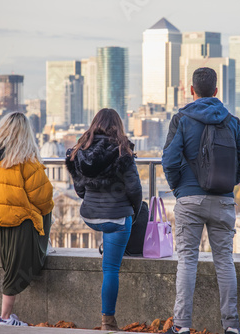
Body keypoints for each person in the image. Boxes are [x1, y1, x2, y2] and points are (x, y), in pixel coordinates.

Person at [162, 67, 240, 334]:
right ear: (216, 91)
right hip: (223, 201)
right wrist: (226, 183)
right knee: (224, 260)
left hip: (189, 200)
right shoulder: (233, 121)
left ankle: (181, 327)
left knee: (187, 260)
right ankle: (231, 327)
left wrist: (179, 188)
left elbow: (168, 160)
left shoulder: (181, 120)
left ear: (192, 91)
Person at [65, 108, 142, 330]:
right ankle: (108, 321)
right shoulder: (122, 150)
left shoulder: (81, 150)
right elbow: (135, 189)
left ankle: (106, 244)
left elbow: (79, 188)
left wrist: (91, 199)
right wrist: (134, 211)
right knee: (110, 269)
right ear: (118, 126)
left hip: (90, 216)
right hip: (117, 219)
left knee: (110, 231)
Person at [0, 112, 54, 326]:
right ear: (25, 135)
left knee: (10, 262)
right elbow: (44, 197)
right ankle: (5, 318)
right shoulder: (26, 161)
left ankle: (7, 316)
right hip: (21, 221)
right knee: (14, 271)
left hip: (2, 220)